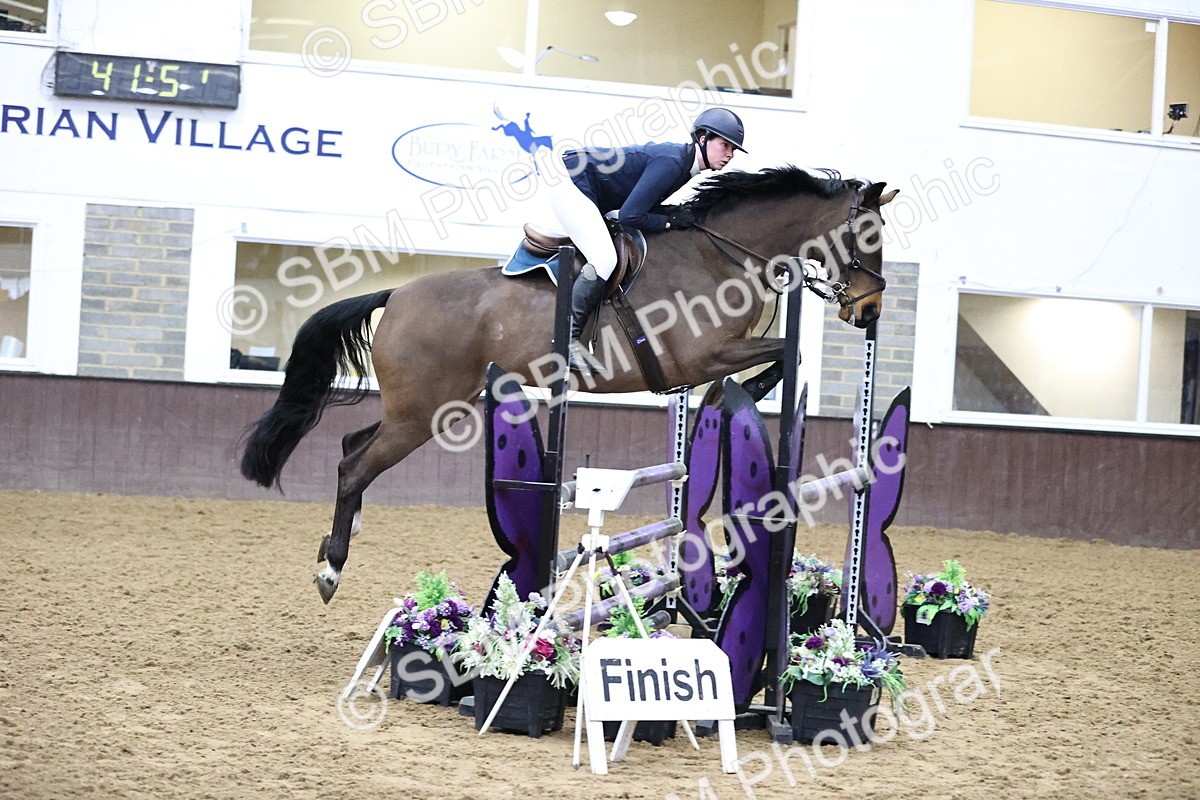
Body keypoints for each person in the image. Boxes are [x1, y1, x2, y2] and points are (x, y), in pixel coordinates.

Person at [542, 107, 747, 375]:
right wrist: (669, 222)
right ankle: (565, 344)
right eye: (725, 145)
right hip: (569, 181)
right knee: (605, 259)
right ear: (703, 139)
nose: (730, 154)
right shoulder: (674, 162)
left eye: (733, 149)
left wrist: (669, 216)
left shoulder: (683, 165)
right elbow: (630, 215)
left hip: (592, 189)